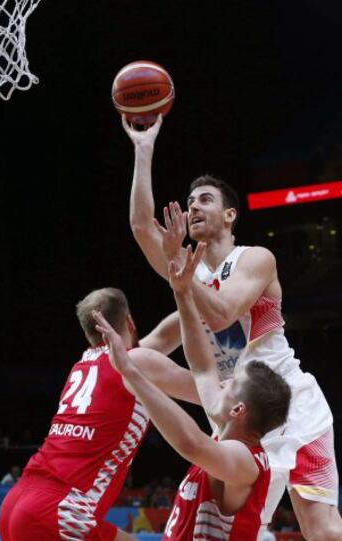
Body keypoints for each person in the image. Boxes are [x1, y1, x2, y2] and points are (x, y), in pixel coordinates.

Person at [122, 114, 342, 541]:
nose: (193, 206)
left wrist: (181, 282)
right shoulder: (190, 278)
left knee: (321, 530)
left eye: (204, 199)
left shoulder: (255, 259)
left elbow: (222, 313)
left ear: (229, 215)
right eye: (189, 201)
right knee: (136, 359)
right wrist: (143, 149)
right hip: (234, 407)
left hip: (289, 405)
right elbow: (139, 228)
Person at [92, 243, 291, 540]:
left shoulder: (245, 461)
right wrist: (182, 291)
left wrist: (136, 376)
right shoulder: (227, 435)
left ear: (238, 410)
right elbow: (202, 366)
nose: (221, 382)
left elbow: (191, 444)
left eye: (230, 384)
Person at [0, 287, 199, 541]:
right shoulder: (137, 362)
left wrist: (204, 302)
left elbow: (161, 338)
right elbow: (210, 395)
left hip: (17, 501)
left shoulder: (84, 363)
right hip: (58, 511)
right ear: (129, 322)